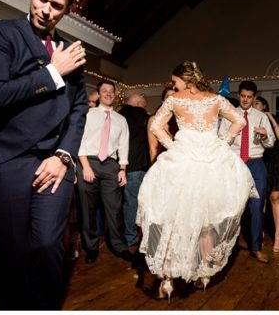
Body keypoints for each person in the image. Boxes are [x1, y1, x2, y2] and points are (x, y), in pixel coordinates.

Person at [0, 0, 88, 310]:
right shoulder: (0, 32)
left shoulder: (71, 51)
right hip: (9, 158)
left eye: (56, 5)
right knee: (13, 251)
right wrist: (54, 72)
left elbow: (79, 107)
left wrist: (64, 156)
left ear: (66, 10)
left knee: (47, 245)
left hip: (54, 161)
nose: (45, 9)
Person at [137, 61, 256, 299]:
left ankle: (169, 278)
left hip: (183, 160)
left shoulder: (174, 100)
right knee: (207, 218)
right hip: (212, 160)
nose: (173, 85)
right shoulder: (216, 100)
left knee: (173, 217)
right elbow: (240, 121)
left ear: (187, 80)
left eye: (176, 81)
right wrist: (224, 142)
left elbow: (156, 126)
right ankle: (203, 272)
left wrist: (172, 146)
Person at [77, 78, 132, 263]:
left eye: (111, 90)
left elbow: (123, 146)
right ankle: (91, 248)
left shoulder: (121, 120)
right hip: (88, 162)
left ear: (115, 94)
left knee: (115, 209)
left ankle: (119, 246)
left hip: (111, 166)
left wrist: (122, 169)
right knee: (88, 210)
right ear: (99, 94)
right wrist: (85, 167)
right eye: (105, 90)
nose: (108, 93)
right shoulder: (88, 114)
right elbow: (80, 142)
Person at [221, 79, 274, 262]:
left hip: (256, 164)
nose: (245, 100)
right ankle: (228, 247)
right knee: (231, 206)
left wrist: (266, 136)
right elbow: (221, 141)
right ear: (238, 95)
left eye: (249, 97)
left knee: (257, 206)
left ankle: (256, 247)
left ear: (254, 97)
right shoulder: (229, 115)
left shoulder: (261, 117)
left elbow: (271, 143)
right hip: (234, 163)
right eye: (242, 96)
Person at [252, 96, 279, 252]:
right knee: (260, 200)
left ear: (264, 106)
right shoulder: (252, 121)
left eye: (257, 103)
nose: (254, 106)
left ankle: (278, 236)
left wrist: (271, 118)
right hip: (261, 162)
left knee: (275, 197)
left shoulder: (271, 118)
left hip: (275, 163)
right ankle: (258, 235)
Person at [118, 92, 150, 247]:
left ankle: (128, 234)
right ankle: (131, 236)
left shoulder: (119, 114)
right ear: (138, 103)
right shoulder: (139, 114)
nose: (145, 107)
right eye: (144, 104)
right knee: (133, 203)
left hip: (120, 166)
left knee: (125, 202)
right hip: (136, 165)